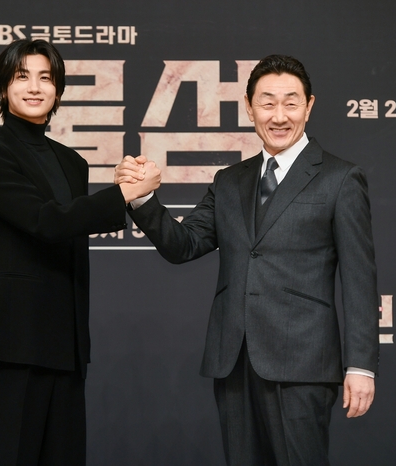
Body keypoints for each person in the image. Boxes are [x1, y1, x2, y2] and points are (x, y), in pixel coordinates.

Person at [116, 54, 379, 466]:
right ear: (249, 107)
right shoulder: (230, 180)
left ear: (309, 106)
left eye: (291, 103)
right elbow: (184, 244)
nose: (279, 116)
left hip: (302, 364)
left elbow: (360, 279)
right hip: (234, 362)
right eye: (267, 103)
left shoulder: (340, 178)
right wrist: (143, 199)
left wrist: (361, 366)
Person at [0, 39, 160, 465]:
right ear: (3, 87)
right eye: (22, 77)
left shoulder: (72, 162)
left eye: (46, 78)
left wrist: (125, 188)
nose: (35, 87)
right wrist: (122, 194)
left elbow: (72, 225)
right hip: (10, 343)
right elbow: (45, 221)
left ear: (58, 89)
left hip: (65, 346)